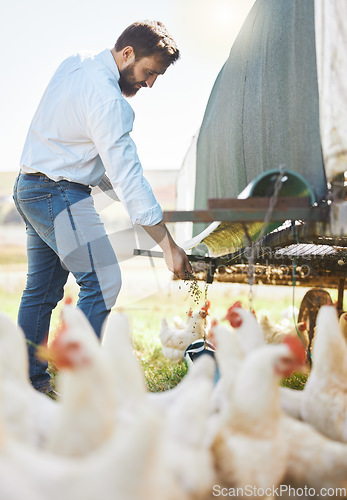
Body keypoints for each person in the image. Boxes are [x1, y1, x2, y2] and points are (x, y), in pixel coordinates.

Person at [13, 20, 192, 393]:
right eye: (148, 72)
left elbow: (101, 166)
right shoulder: (109, 99)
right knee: (104, 281)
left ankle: (26, 385)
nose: (150, 84)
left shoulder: (75, 63)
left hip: (31, 186)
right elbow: (126, 175)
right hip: (57, 192)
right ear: (127, 53)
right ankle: (82, 389)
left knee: (42, 292)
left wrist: (137, 204)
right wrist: (167, 245)